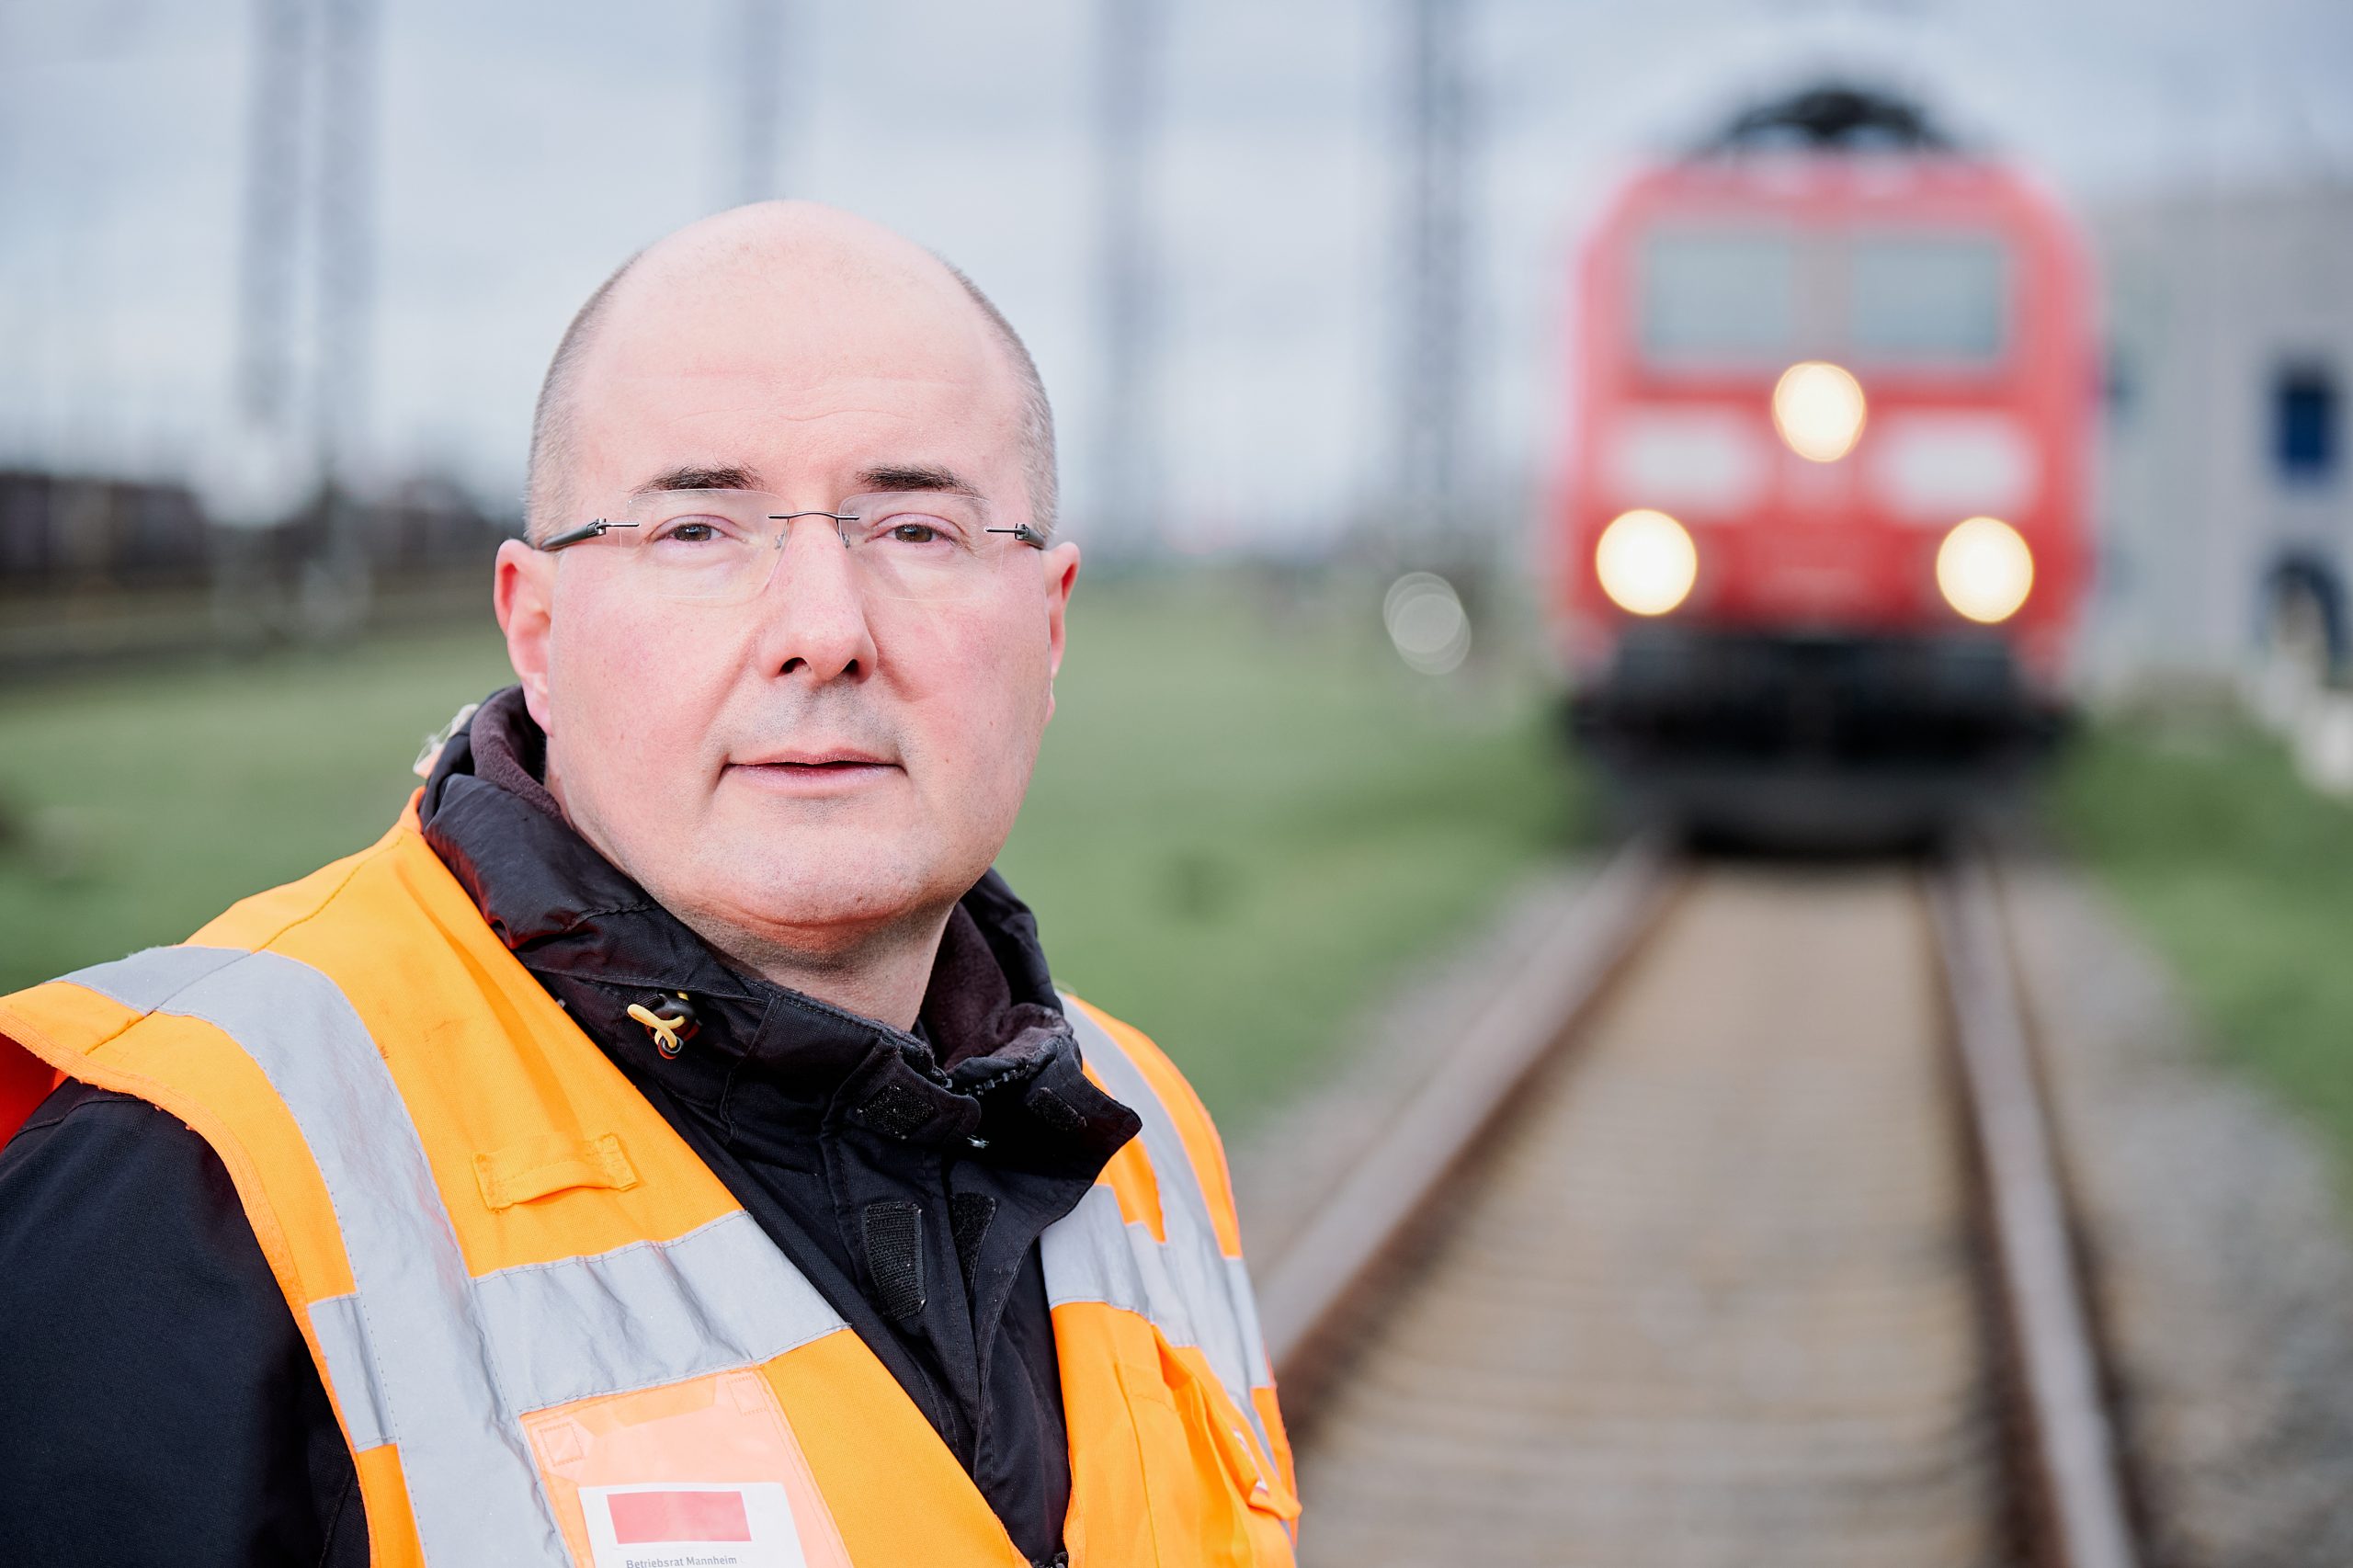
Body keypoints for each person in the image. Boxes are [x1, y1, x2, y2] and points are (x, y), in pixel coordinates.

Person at [0, 202, 1298, 1567]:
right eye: (697, 530)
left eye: (915, 528)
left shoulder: (1146, 1137)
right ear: (538, 630)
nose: (822, 632)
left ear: (1049, 624)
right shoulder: (194, 1180)